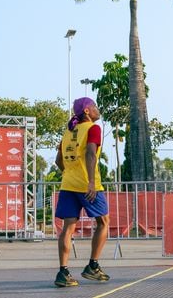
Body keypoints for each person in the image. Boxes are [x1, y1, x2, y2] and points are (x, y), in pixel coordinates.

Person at [54, 97, 110, 287]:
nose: (97, 109)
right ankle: (92, 266)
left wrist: (69, 173)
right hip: (87, 185)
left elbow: (58, 160)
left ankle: (63, 272)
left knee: (68, 228)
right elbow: (90, 153)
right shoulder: (93, 128)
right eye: (94, 106)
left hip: (68, 184)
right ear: (87, 111)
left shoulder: (68, 131)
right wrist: (91, 183)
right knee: (103, 222)